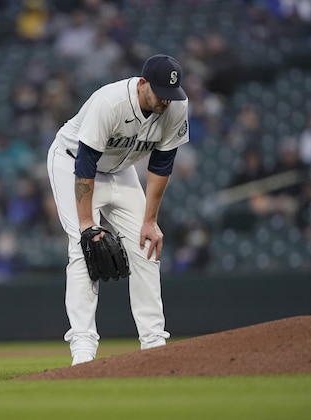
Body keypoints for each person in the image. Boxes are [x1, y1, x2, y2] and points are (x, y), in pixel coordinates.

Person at [46, 54, 189, 365]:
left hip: (121, 168)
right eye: (160, 91)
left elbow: (162, 165)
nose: (166, 99)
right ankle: (83, 347)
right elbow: (85, 164)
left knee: (147, 245)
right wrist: (87, 224)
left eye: (171, 93)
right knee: (83, 248)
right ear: (142, 85)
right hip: (73, 162)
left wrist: (150, 221)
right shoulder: (109, 102)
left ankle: (154, 342)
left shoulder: (176, 106)